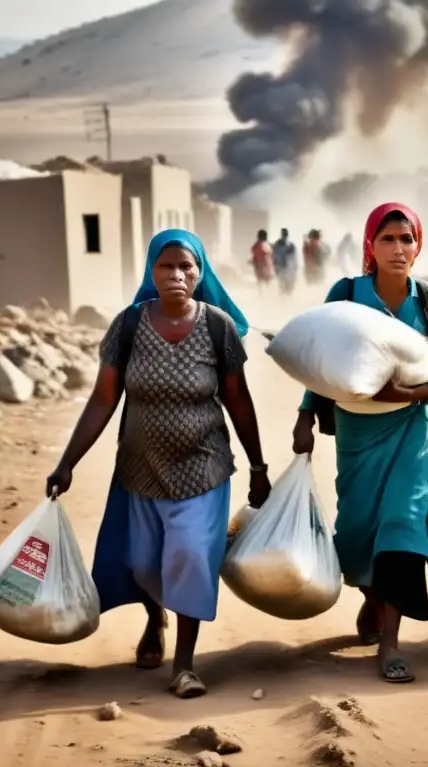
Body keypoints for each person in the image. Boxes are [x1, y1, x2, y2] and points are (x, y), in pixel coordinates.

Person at [45, 229, 272, 699]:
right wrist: (67, 462)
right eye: (166, 266)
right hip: (141, 468)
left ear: (200, 273)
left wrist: (258, 465)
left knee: (189, 556)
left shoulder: (218, 326)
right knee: (144, 562)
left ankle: (185, 664)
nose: (177, 275)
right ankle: (155, 617)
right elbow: (103, 400)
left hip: (203, 468)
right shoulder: (128, 326)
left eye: (187, 267)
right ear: (152, 271)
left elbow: (239, 401)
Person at [291, 202, 428, 684]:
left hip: (414, 430)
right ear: (370, 245)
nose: (398, 248)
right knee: (359, 528)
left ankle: (390, 642)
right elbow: (320, 359)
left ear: (418, 245)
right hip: (357, 433)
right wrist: (305, 414)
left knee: (402, 524)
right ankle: (373, 596)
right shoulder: (346, 294)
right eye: (387, 239)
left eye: (406, 239)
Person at [272, 228, 298, 294]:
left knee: (289, 286)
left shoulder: (291, 245)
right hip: (282, 269)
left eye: (285, 233)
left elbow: (294, 258)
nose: (284, 235)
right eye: (284, 233)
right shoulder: (277, 245)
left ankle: (287, 299)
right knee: (283, 287)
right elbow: (274, 257)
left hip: (289, 269)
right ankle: (284, 300)